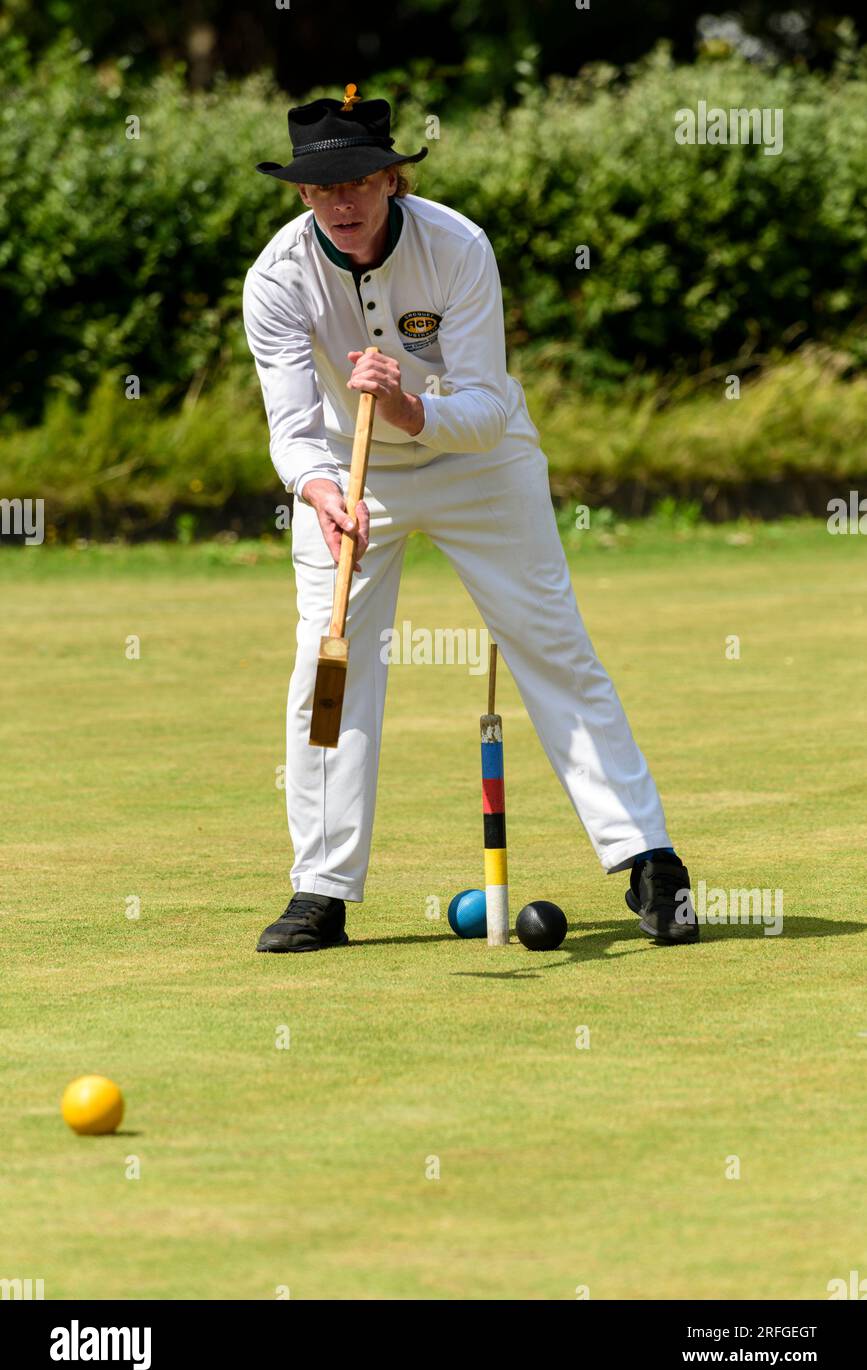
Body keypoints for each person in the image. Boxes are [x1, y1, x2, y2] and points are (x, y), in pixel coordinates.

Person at [243, 84, 697, 953]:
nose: (340, 201)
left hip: (479, 463)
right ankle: (319, 890)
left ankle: (648, 859)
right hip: (351, 476)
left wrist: (410, 408)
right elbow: (293, 428)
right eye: (320, 187)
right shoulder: (276, 279)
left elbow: (485, 404)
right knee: (326, 666)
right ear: (301, 194)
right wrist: (317, 490)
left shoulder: (457, 246)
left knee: (550, 643)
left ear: (391, 180)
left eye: (357, 182)